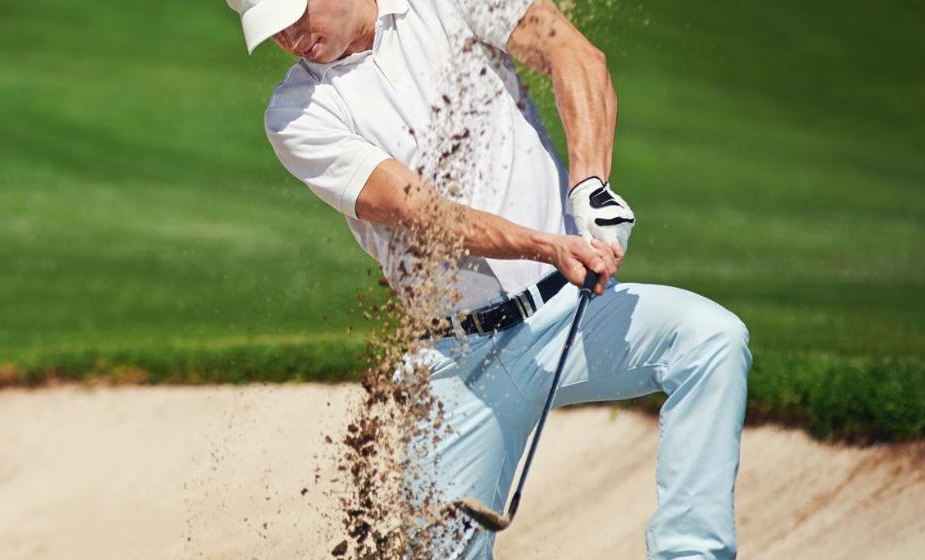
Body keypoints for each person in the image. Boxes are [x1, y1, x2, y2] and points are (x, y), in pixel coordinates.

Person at [222, 0, 751, 557]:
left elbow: (572, 53)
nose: (288, 37)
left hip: (570, 313)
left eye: (293, 16)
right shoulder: (297, 113)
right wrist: (546, 244)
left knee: (711, 341)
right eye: (273, 30)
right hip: (456, 362)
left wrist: (589, 187)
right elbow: (422, 213)